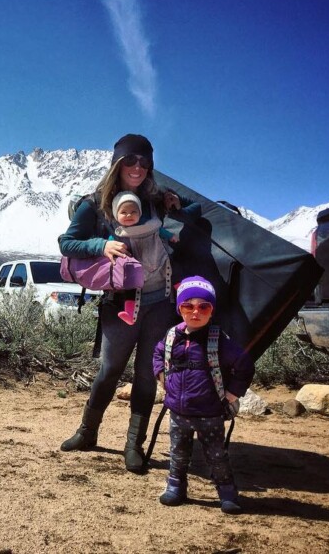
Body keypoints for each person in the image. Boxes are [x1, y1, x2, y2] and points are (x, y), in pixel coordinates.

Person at [58, 133, 200, 473]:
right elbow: (67, 243)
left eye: (144, 162)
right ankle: (87, 431)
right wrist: (100, 247)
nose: (137, 167)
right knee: (109, 370)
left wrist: (178, 204)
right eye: (130, 161)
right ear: (117, 163)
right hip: (120, 303)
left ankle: (133, 445)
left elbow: (196, 212)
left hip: (160, 302)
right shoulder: (94, 203)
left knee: (146, 376)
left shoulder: (155, 199)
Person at [153, 276, 255, 514]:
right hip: (178, 412)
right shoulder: (172, 337)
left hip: (210, 412)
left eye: (203, 306)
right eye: (188, 306)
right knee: (178, 453)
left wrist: (231, 394)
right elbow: (157, 355)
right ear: (180, 309)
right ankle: (176, 487)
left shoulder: (219, 340)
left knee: (216, 455)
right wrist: (161, 376)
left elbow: (244, 365)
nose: (195, 312)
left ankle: (227, 492)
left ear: (212, 310)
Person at [111, 191, 177, 325]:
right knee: (131, 288)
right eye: (124, 212)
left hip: (157, 259)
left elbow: (159, 231)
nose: (129, 215)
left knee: (172, 268)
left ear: (140, 213)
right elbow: (110, 245)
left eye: (133, 211)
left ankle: (180, 293)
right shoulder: (118, 234)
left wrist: (171, 236)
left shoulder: (149, 226)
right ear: (116, 215)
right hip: (134, 269)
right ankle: (129, 313)